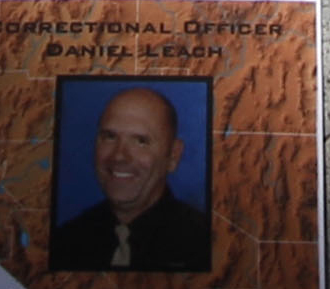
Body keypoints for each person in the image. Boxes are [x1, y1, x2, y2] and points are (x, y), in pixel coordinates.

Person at [47, 86, 212, 272]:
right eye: (110, 137)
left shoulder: (207, 245)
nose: (119, 156)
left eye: (141, 141)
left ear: (173, 156)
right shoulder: (65, 242)